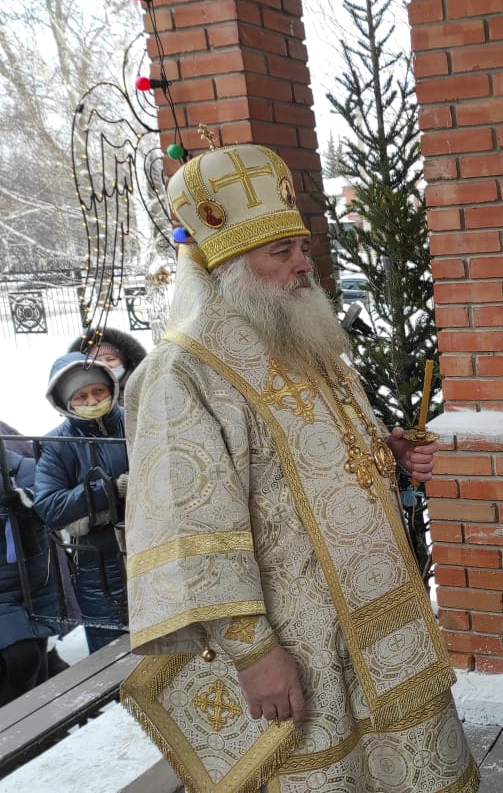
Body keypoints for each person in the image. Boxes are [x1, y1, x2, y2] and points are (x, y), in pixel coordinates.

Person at [122, 142, 478, 792]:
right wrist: (255, 655)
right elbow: (189, 531)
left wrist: (389, 458)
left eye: (301, 248)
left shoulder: (300, 335)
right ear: (226, 264)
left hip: (378, 623)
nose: (302, 267)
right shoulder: (185, 373)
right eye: (279, 253)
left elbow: (319, 462)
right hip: (298, 641)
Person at [32, 353, 128, 652]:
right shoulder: (56, 444)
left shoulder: (137, 422)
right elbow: (48, 505)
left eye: (98, 391)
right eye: (81, 396)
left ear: (111, 390)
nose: (92, 400)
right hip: (96, 563)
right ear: (65, 403)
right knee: (111, 650)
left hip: (149, 546)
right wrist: (110, 489)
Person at [1, 445, 66, 705]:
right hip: (8, 598)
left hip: (35, 590)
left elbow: (55, 511)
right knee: (23, 661)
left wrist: (26, 502)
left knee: (35, 668)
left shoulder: (25, 469)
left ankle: (48, 736)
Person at [67, 327, 147, 403]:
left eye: (110, 359)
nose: (104, 364)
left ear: (124, 362)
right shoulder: (81, 394)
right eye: (96, 360)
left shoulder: (144, 387)